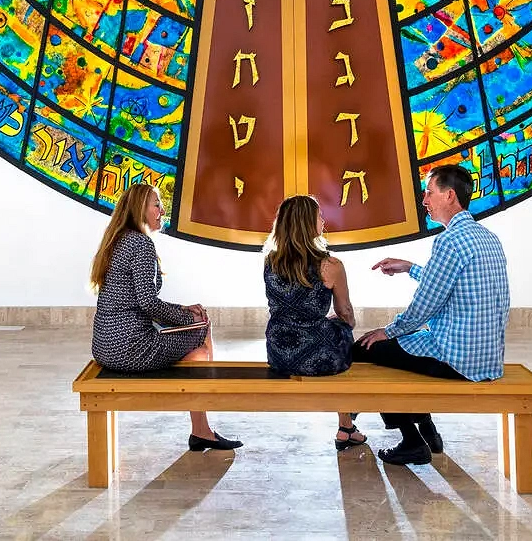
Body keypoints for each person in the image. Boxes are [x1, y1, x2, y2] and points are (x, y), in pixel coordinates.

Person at [353, 164, 510, 466]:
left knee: (369, 349)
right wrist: (410, 267)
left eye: (429, 192)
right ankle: (425, 427)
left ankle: (412, 439)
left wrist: (388, 331)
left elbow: (426, 305)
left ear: (450, 195)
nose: (424, 200)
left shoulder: (449, 241)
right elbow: (451, 283)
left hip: (457, 358)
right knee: (399, 349)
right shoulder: (487, 237)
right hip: (487, 357)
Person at [89, 183, 242, 452]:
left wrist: (182, 310)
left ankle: (200, 424)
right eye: (156, 205)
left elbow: (137, 300)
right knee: (202, 329)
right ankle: (202, 428)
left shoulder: (118, 240)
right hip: (130, 348)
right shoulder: (141, 243)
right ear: (140, 208)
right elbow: (147, 302)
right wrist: (189, 320)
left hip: (104, 347)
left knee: (193, 335)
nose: (162, 210)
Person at [263, 195, 366, 450]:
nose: (323, 220)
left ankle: (347, 428)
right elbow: (346, 312)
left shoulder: (270, 262)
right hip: (319, 357)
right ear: (309, 223)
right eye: (319, 215)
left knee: (333, 331)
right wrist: (341, 324)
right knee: (348, 339)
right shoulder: (330, 265)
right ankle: (347, 420)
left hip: (279, 353)